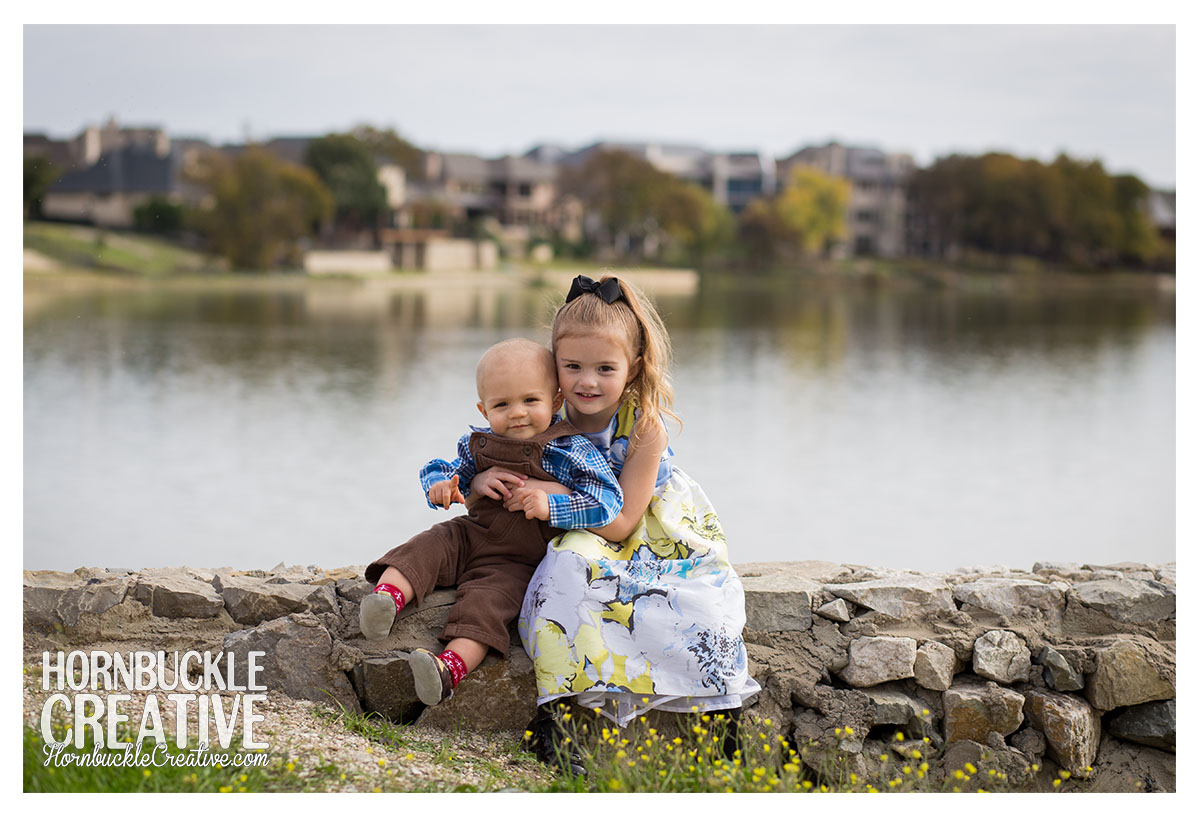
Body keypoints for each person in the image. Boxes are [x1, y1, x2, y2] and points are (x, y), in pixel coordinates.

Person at [472, 275, 760, 773]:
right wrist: (480, 483)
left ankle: (721, 724)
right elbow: (481, 461)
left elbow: (625, 519)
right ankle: (556, 724)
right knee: (562, 571)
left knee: (704, 605)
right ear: (552, 367)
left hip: (648, 528)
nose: (587, 381)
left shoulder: (643, 425)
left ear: (633, 368)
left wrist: (557, 495)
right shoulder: (541, 416)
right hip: (582, 535)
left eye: (605, 368)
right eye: (573, 367)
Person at [360, 337, 623, 709]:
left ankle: (447, 669)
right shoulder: (479, 444)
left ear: (556, 401)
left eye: (530, 401)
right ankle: (386, 599)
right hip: (470, 535)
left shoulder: (571, 450)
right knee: (427, 545)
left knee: (487, 607)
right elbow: (444, 469)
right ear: (484, 410)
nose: (517, 413)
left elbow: (609, 501)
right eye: (502, 404)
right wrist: (451, 485)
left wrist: (552, 504)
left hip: (517, 563)